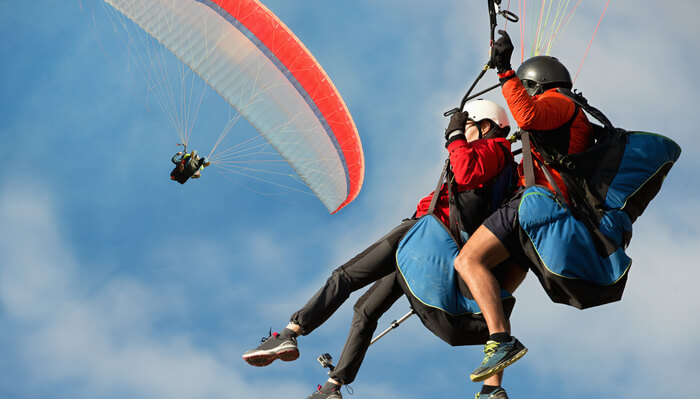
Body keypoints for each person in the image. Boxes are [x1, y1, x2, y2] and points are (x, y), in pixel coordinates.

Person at [242, 100, 523, 399]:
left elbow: (465, 172)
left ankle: (290, 333)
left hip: (424, 233)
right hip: (430, 245)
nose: (460, 131)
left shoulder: (494, 151)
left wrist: (454, 139)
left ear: (485, 127)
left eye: (467, 125)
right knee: (366, 309)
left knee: (345, 276)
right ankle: (334, 386)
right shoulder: (500, 164)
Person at [453, 30, 594, 383]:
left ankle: (501, 342)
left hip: (536, 205)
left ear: (537, 84)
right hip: (546, 214)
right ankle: (492, 388)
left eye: (526, 87)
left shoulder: (562, 104)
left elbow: (528, 115)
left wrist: (504, 72)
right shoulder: (567, 116)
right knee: (493, 294)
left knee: (468, 261)